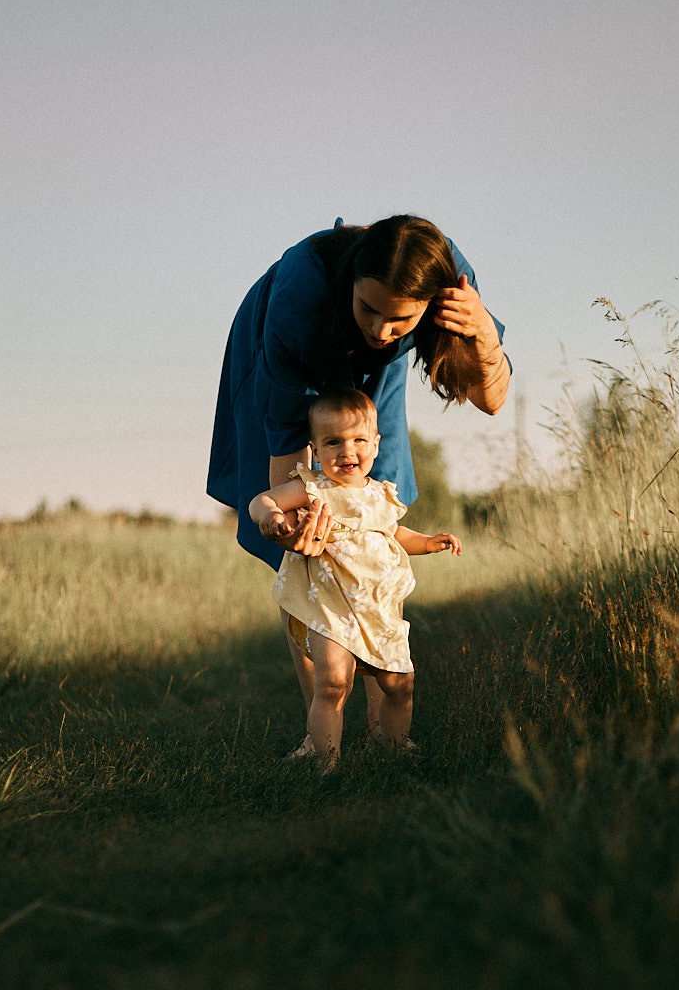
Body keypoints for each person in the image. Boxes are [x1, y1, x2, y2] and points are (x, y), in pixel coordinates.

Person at [207, 214, 510, 741]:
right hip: (291, 341)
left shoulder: (451, 279)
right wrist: (292, 530)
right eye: (369, 309)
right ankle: (321, 725)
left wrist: (483, 333)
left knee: (376, 516)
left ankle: (383, 729)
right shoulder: (300, 300)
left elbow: (493, 400)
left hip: (380, 374)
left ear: (428, 305)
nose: (380, 329)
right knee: (303, 551)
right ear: (352, 283)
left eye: (400, 320)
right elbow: (285, 452)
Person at [249, 390, 460, 768]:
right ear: (314, 448)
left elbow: (394, 534)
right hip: (331, 607)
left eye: (358, 440)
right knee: (333, 684)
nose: (347, 451)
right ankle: (325, 761)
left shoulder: (381, 494)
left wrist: (429, 542)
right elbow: (261, 499)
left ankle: (392, 749)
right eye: (333, 442)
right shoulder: (314, 487)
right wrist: (271, 516)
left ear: (376, 445)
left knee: (400, 684)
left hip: (378, 610)